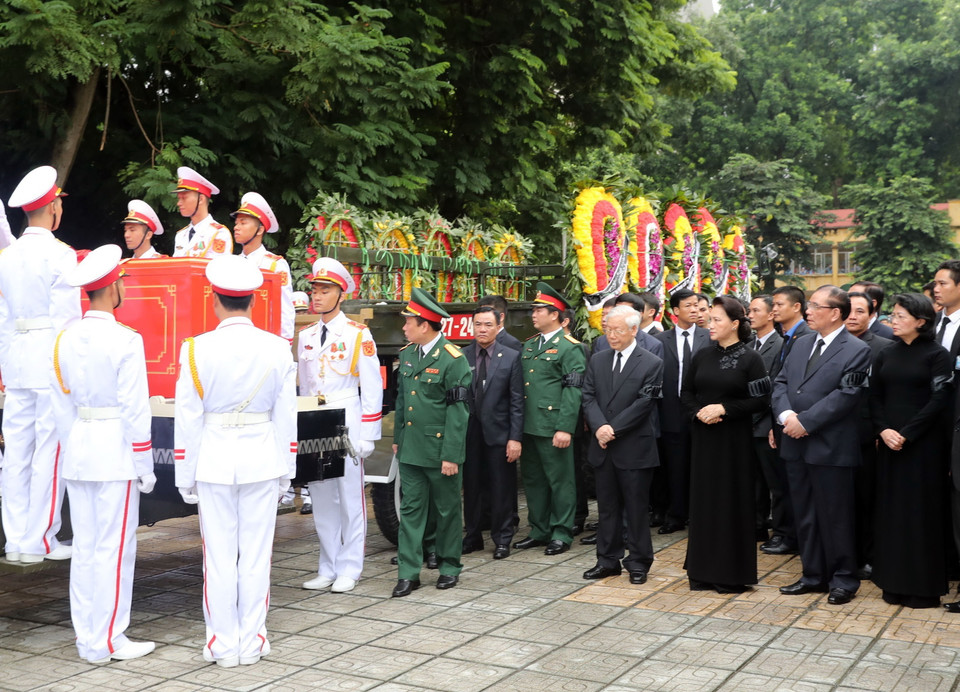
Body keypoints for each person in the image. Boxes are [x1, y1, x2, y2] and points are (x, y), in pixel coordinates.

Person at [174, 255, 297, 667]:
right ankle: (253, 639)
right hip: (263, 456)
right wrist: (287, 472)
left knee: (219, 557)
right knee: (257, 555)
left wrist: (184, 474)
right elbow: (286, 417)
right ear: (253, 300)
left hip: (213, 458)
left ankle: (222, 645)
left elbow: (188, 418)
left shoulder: (195, 349)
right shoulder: (278, 349)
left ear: (215, 300)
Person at [49, 245, 156, 663]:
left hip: (79, 448)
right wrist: (144, 463)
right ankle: (109, 638)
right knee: (114, 549)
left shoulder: (63, 339)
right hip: (115, 451)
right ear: (113, 287)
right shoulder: (126, 339)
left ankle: (87, 637)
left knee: (88, 549)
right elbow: (135, 409)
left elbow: (61, 408)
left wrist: (72, 445)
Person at [0, 165, 80, 563]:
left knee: (16, 453)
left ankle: (16, 539)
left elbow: (2, 318)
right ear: (52, 208)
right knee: (49, 451)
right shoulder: (61, 255)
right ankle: (40, 540)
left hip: (15, 363)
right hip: (50, 361)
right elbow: (68, 322)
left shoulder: (7, 256)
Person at [773, 286, 871, 606]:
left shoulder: (856, 349)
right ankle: (813, 574)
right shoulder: (800, 344)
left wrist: (807, 422)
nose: (808, 311)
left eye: (815, 306)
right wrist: (787, 415)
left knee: (836, 515)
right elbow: (782, 383)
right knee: (805, 513)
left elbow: (847, 395)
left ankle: (843, 578)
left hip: (831, 447)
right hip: (795, 445)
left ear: (835, 313)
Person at [298, 258, 382, 593]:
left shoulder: (356, 334)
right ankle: (328, 565)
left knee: (349, 498)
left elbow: (372, 387)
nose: (316, 296)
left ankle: (350, 566)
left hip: (346, 418)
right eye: (314, 289)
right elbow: (303, 387)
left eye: (325, 290)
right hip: (315, 421)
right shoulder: (305, 335)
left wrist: (367, 435)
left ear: (340, 294)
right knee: (320, 497)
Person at [870, 293, 952, 608]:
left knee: (922, 515)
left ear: (921, 321)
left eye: (901, 315)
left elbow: (939, 400)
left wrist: (907, 433)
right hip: (890, 443)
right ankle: (892, 582)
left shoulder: (937, 355)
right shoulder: (886, 353)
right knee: (892, 513)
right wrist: (883, 429)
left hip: (923, 446)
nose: (894, 319)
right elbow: (874, 395)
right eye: (894, 313)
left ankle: (923, 587)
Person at [682, 297, 770, 593]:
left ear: (734, 323)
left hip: (734, 442)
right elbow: (686, 392)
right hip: (704, 438)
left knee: (731, 502)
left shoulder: (751, 358)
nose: (710, 324)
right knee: (704, 502)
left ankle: (730, 574)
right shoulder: (701, 355)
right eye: (710, 319)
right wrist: (698, 412)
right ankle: (702, 571)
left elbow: (761, 400)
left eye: (717, 319)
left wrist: (724, 409)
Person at [391, 288, 471, 596]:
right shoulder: (408, 355)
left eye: (409, 322)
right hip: (411, 449)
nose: (404, 327)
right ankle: (409, 572)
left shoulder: (454, 360)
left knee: (448, 510)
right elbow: (402, 401)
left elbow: (459, 411)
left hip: (441, 452)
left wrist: (451, 454)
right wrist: (398, 439)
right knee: (411, 510)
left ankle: (449, 566)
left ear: (425, 325)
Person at [582, 305, 663, 585]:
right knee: (607, 508)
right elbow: (588, 396)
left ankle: (639, 562)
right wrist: (599, 427)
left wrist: (612, 429)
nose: (611, 335)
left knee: (636, 509)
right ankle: (607, 560)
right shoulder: (598, 359)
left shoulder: (651, 362)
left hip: (634, 447)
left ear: (633, 330)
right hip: (603, 447)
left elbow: (644, 402)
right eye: (607, 329)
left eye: (617, 330)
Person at [512, 283, 586, 556]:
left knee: (560, 481)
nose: (534, 314)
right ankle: (539, 529)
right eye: (534, 309)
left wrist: (565, 427)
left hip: (554, 426)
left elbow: (573, 390)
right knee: (534, 480)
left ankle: (561, 531)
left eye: (539, 310)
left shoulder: (570, 348)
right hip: (530, 425)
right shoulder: (530, 345)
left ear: (555, 314)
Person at [461, 305, 523, 559]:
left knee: (501, 488)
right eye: (478, 324)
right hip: (469, 434)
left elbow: (517, 401)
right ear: (471, 326)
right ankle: (472, 535)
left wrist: (515, 438)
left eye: (488, 324)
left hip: (500, 434)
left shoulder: (510, 356)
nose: (482, 329)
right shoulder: (461, 355)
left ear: (499, 326)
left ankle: (502, 538)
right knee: (471, 486)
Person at [845, 291, 892, 579]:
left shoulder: (885, 347)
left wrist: (879, 429)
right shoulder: (830, 345)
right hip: (832, 434)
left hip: (867, 436)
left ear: (871, 314)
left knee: (867, 499)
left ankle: (869, 557)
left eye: (860, 311)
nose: (853, 316)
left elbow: (885, 396)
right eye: (849, 310)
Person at [761, 285, 811, 556]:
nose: (774, 309)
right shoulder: (788, 336)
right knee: (783, 482)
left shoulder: (805, 336)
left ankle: (793, 536)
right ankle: (788, 534)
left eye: (779, 304)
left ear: (796, 307)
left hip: (799, 422)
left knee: (792, 485)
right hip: (782, 419)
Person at [654, 289, 709, 534]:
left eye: (697, 305)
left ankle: (700, 515)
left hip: (702, 412)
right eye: (689, 306)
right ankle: (675, 515)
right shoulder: (660, 341)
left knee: (701, 466)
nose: (695, 310)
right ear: (675, 311)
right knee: (674, 467)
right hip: (670, 412)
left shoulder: (709, 337)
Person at [231, 192, 295, 342]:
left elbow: (285, 310)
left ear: (260, 230)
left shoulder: (274, 265)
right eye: (236, 223)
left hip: (265, 339)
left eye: (243, 222)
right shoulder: (232, 264)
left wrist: (285, 344)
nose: (236, 227)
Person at [747, 295, 783, 543]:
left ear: (771, 315)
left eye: (756, 310)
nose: (750, 315)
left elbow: (776, 388)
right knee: (753, 482)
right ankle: (756, 526)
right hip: (747, 423)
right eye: (749, 310)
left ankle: (780, 532)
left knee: (775, 483)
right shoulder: (749, 345)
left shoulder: (780, 345)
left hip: (767, 424)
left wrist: (772, 423)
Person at [171, 166, 233, 258]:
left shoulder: (218, 233)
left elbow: (218, 269)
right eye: (179, 198)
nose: (179, 203)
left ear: (201, 199)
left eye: (184, 198)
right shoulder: (181, 235)